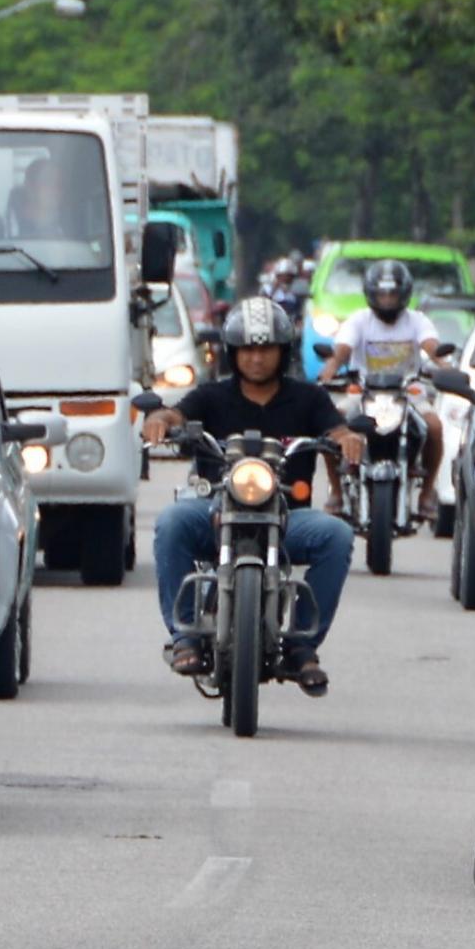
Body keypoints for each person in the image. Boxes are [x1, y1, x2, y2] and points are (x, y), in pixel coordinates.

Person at [136, 296, 362, 696]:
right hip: (216, 512)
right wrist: (161, 420)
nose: (257, 358)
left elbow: (334, 428)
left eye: (267, 349)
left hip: (288, 518)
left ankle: (301, 647)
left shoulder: (308, 398)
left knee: (337, 535)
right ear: (233, 353)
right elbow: (177, 414)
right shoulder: (212, 396)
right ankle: (184, 634)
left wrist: (346, 438)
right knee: (171, 522)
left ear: (283, 352)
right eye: (249, 350)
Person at [316, 257, 445, 519]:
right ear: (371, 294)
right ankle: (337, 491)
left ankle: (426, 493)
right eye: (382, 294)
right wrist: (332, 365)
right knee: (332, 425)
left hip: (408, 391)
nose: (387, 300)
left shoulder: (416, 320)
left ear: (404, 294)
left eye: (393, 294)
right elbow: (343, 348)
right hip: (363, 391)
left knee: (434, 426)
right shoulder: (358, 321)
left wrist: (444, 364)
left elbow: (431, 345)